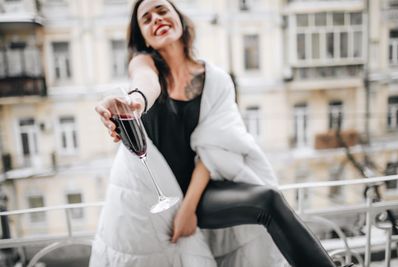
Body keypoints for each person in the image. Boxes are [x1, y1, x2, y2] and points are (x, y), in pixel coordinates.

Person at [90, 0, 354, 266]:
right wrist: (135, 102)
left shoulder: (216, 80)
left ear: (179, 18)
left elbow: (216, 147)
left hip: (199, 191)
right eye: (146, 18)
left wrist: (188, 209)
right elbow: (144, 84)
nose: (156, 19)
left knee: (269, 200)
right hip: (149, 194)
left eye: (162, 10)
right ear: (142, 35)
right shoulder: (143, 63)